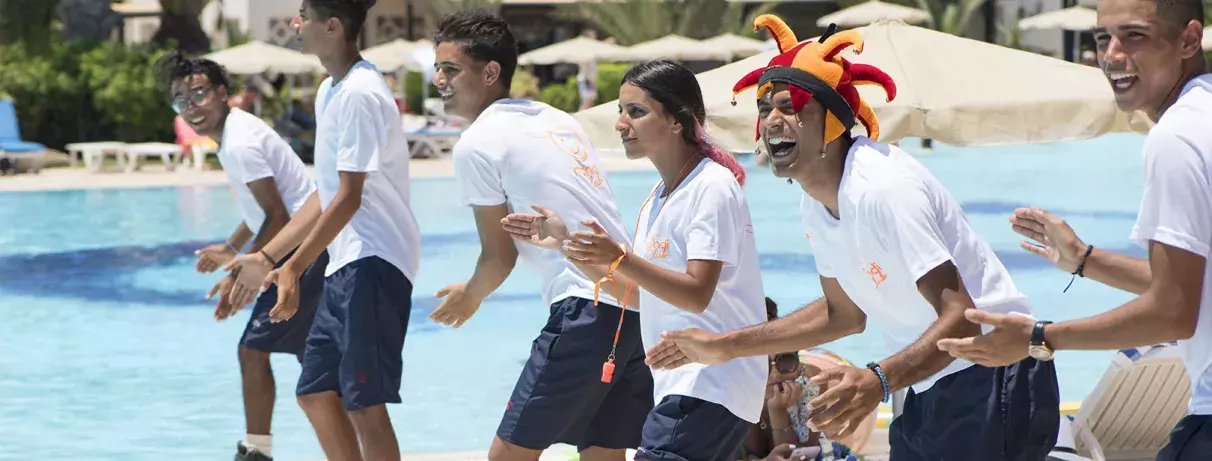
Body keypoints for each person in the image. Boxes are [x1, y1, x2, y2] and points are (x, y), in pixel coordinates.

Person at [643, 15, 1060, 461]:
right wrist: (723, 346)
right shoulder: (814, 204)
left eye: (791, 106)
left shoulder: (882, 187)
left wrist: (877, 379)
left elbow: (962, 315)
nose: (772, 121)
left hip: (995, 370)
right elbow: (843, 314)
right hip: (930, 378)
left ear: (834, 122)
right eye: (765, 110)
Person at [936, 0, 1212, 458]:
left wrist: (1038, 338)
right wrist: (1086, 260)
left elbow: (1174, 312)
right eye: (1103, 38)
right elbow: (1194, 287)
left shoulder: (1176, 138)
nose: (1112, 55)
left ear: (1187, 39)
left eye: (1134, 36)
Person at [504, 59, 767, 461]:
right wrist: (563, 244)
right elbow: (637, 294)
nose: (621, 123)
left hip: (712, 384)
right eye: (620, 111)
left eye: (636, 111)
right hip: (682, 386)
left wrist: (621, 259)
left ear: (677, 120)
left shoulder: (711, 186)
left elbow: (697, 294)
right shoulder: (658, 199)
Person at [424, 11, 652, 461]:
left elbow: (499, 256)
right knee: (604, 454)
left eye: (450, 69)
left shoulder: (477, 143)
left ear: (490, 72)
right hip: (635, 306)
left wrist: (470, 295)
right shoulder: (558, 118)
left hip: (584, 309)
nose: (437, 79)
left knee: (508, 455)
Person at [223, 1, 421, 460]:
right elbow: (325, 192)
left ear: (332, 26)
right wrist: (270, 256)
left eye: (303, 15)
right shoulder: (332, 89)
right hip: (347, 262)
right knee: (314, 392)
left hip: (375, 259)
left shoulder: (360, 93)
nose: (295, 23)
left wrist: (295, 268)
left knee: (365, 404)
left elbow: (349, 198)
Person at [156, 52, 327, 461]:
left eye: (198, 94)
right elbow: (261, 211)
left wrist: (243, 271)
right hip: (305, 248)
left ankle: (256, 452)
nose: (191, 106)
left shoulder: (240, 143)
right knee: (317, 369)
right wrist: (231, 248)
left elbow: (279, 214)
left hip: (299, 253)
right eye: (181, 100)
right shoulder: (233, 135)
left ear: (221, 93)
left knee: (253, 350)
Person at [578, 29, 600, 111]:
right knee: (587, 101)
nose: (594, 38)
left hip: (589, 79)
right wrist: (589, 80)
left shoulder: (589, 50)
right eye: (592, 37)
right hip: (586, 79)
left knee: (590, 102)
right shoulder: (584, 50)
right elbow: (583, 66)